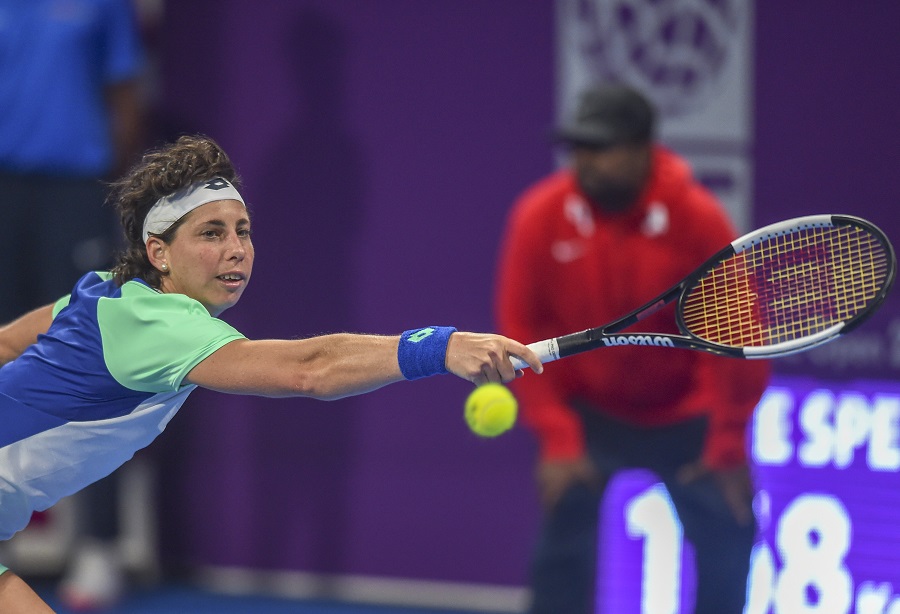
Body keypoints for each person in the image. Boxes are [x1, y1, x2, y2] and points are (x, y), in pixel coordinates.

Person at [0, 134, 544, 612]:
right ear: (159, 252)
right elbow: (308, 370)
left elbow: (5, 342)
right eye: (211, 233)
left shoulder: (105, 288)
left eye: (243, 230)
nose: (236, 250)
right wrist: (440, 348)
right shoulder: (159, 324)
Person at [494, 84, 771, 614]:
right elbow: (521, 331)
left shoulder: (699, 220)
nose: (585, 162)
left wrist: (728, 441)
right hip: (590, 414)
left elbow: (738, 340)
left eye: (601, 148)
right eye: (579, 147)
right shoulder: (538, 216)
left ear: (645, 148)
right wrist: (557, 435)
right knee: (561, 544)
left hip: (685, 415)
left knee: (729, 533)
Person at [0, 1, 146, 607]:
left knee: (88, 359)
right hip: (4, 194)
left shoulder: (103, 4)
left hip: (73, 194)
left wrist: (105, 187)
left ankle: (100, 545)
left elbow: (125, 95)